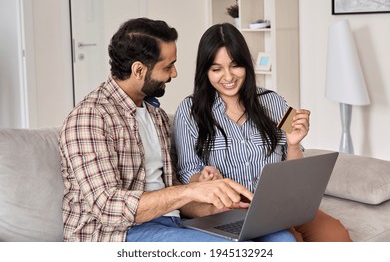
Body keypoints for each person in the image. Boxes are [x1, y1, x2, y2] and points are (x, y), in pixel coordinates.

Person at [58, 17, 295, 242]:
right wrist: (189, 191)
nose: (174, 73)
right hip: (117, 234)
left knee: (282, 239)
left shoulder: (156, 115)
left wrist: (210, 197)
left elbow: (175, 191)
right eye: (168, 66)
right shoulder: (90, 118)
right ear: (139, 70)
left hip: (172, 222)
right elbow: (108, 208)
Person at [173, 22, 352, 242]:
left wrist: (294, 143)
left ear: (246, 64)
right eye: (216, 69)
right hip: (231, 210)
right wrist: (204, 178)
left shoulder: (274, 102)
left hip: (282, 204)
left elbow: (295, 172)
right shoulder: (189, 111)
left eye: (235, 65)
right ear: (205, 71)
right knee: (290, 239)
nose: (228, 77)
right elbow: (187, 172)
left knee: (336, 235)